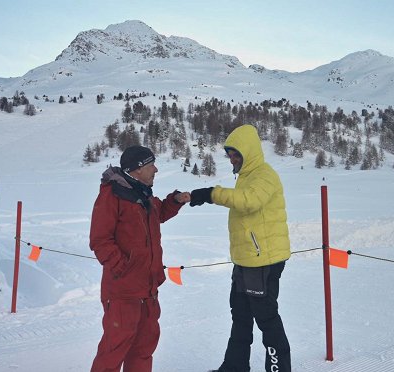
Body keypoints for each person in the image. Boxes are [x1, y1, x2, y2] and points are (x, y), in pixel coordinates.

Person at [190, 124, 292, 372]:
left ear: (250, 151)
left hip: (263, 262)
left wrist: (210, 193)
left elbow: (249, 202)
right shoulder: (247, 177)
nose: (233, 159)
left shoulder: (264, 175)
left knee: (267, 320)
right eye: (230, 155)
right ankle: (234, 368)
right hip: (245, 261)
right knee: (240, 317)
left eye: (237, 154)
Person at [89, 145, 190, 372]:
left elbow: (158, 213)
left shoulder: (143, 194)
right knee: (113, 352)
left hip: (149, 290)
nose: (156, 169)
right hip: (124, 292)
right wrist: (123, 269)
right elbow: (100, 240)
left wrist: (175, 201)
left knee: (143, 350)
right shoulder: (112, 195)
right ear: (136, 169)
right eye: (150, 165)